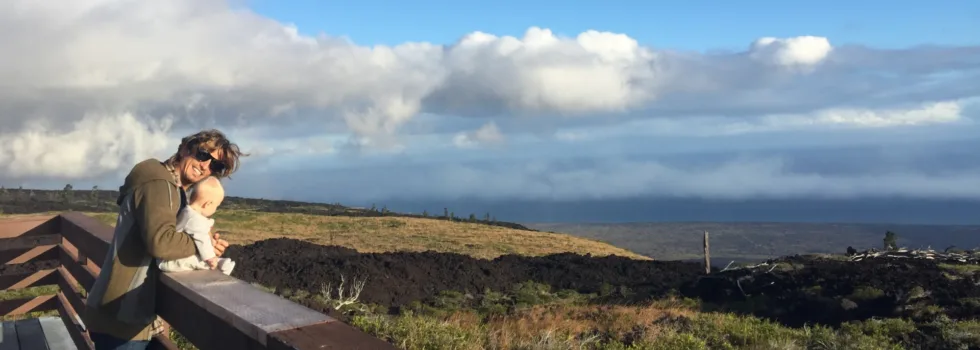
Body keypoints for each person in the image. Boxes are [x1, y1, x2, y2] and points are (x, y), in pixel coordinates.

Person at [83, 129, 245, 350]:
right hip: (122, 315)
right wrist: (202, 247)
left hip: (126, 312)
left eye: (215, 166)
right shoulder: (159, 183)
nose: (205, 166)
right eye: (203, 155)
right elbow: (161, 242)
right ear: (185, 148)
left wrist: (204, 243)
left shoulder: (175, 191)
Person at [157, 176, 236, 275]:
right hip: (170, 261)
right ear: (208, 204)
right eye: (216, 206)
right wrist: (210, 257)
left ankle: (218, 263)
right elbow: (201, 238)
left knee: (196, 259)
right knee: (202, 262)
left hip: (173, 257)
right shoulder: (194, 219)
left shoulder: (188, 212)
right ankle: (217, 265)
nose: (215, 209)